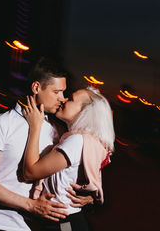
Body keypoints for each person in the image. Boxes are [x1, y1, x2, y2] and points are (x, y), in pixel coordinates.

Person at [0, 57, 93, 231]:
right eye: (56, 92)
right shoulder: (3, 123)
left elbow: (66, 176)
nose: (62, 98)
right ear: (36, 87)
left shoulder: (57, 130)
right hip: (1, 224)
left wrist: (87, 195)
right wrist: (31, 205)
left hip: (43, 225)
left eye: (63, 92)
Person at [22, 86, 115, 231]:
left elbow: (30, 172)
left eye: (70, 99)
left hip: (63, 223)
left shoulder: (77, 141)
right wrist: (90, 197)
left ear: (84, 112)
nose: (64, 99)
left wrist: (35, 127)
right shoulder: (90, 140)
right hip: (68, 220)